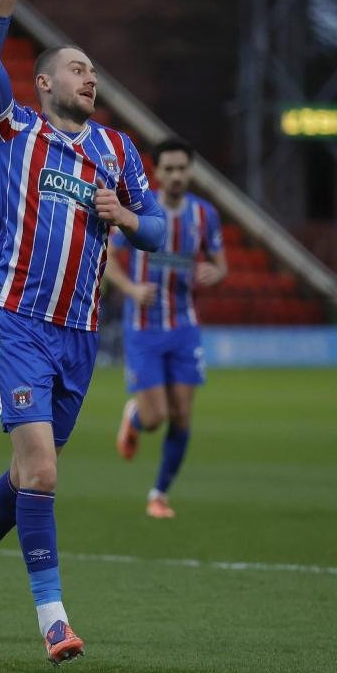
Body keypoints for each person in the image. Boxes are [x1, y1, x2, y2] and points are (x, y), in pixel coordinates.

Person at [0, 0, 166, 665]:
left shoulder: (119, 152)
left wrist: (128, 220)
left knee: (25, 475)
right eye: (77, 68)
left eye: (94, 72)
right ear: (43, 84)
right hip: (18, 321)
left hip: (80, 336)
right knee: (41, 471)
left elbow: (160, 231)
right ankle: (53, 621)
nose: (90, 76)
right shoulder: (14, 131)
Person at [106, 138, 227, 519]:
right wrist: (129, 288)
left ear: (191, 171)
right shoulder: (140, 212)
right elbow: (106, 257)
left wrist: (215, 272)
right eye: (168, 169)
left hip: (184, 327)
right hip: (143, 328)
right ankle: (135, 417)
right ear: (156, 172)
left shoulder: (205, 216)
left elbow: (220, 264)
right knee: (155, 417)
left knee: (182, 415)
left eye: (182, 168)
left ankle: (159, 493)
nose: (176, 176)